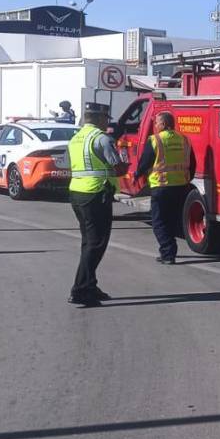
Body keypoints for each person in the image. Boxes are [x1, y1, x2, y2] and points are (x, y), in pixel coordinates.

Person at [67, 102, 128, 306]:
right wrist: (125, 161)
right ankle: (81, 290)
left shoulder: (76, 138)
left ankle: (90, 285)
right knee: (96, 243)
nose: (107, 122)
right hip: (96, 193)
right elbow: (117, 168)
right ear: (100, 119)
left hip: (77, 192)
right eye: (106, 118)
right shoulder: (102, 138)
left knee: (88, 242)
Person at [133, 111, 195, 264]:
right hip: (181, 186)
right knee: (173, 219)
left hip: (161, 186)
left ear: (163, 124)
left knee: (159, 221)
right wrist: (187, 178)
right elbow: (192, 163)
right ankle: (170, 250)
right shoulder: (184, 139)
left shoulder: (156, 140)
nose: (155, 125)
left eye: (157, 123)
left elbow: (145, 162)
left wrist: (137, 174)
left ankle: (168, 253)